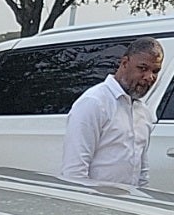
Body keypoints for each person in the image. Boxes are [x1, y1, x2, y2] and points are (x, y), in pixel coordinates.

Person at [60, 38, 163, 187]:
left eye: (155, 71)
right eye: (142, 68)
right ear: (125, 63)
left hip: (126, 205)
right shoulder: (94, 102)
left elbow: (142, 172)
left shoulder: (143, 112)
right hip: (95, 204)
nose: (149, 77)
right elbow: (74, 170)